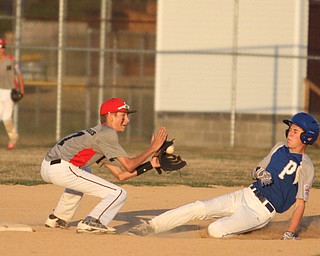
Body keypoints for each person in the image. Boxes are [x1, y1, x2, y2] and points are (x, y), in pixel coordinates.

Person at [128, 112, 319, 240]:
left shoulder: (306, 167)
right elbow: (257, 169)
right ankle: (151, 226)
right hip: (246, 194)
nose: (289, 134)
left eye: (295, 131)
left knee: (215, 230)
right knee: (199, 207)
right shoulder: (279, 146)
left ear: (307, 137)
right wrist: (259, 172)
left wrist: (290, 233)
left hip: (260, 212)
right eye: (289, 130)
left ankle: (250, 230)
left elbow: (300, 203)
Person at [41, 97, 168, 234]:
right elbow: (129, 166)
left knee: (86, 171)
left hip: (49, 167)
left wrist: (151, 164)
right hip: (62, 169)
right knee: (118, 193)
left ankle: (58, 218)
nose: (127, 120)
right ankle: (93, 221)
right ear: (110, 116)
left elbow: (121, 175)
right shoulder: (107, 133)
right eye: (123, 115)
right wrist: (153, 148)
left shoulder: (99, 133)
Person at [0, 38, 25, 149]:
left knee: (6, 117)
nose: (1, 49)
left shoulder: (11, 60)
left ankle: (13, 137)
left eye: (2, 47)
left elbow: (19, 74)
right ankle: (14, 136)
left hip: (10, 91)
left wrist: (22, 89)